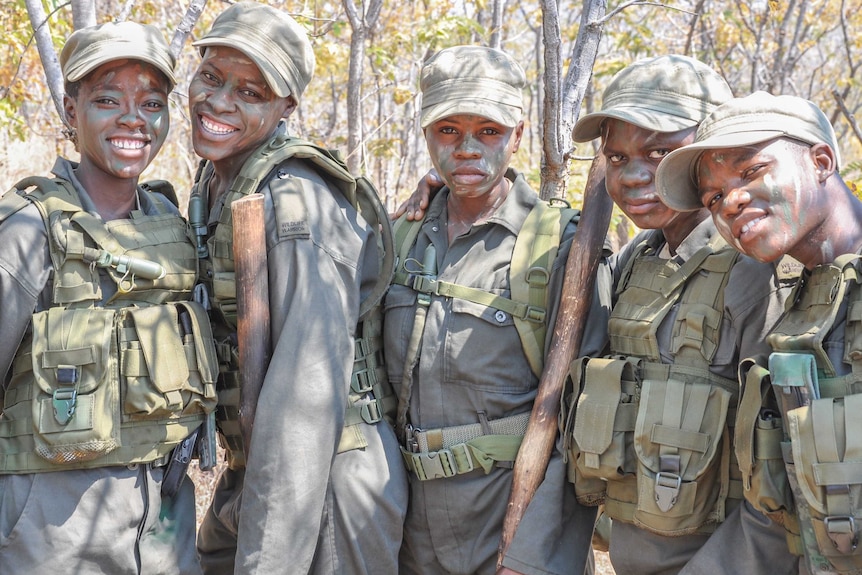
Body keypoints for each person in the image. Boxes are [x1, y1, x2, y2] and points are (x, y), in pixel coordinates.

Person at [188, 3, 407, 574]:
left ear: (286, 106)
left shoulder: (296, 203)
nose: (218, 102)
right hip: (258, 466)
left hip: (326, 479)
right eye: (211, 77)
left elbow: (306, 403)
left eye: (250, 92)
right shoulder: (219, 176)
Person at [563, 56, 801, 574]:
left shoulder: (752, 267)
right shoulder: (635, 262)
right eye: (618, 157)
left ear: (709, 152)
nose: (634, 175)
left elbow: (781, 481)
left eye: (662, 152)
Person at [0, 21, 218, 575]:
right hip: (50, 529)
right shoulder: (28, 230)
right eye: (106, 99)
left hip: (164, 522)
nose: (132, 119)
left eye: (151, 102)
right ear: (71, 113)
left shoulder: (170, 222)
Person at [385, 44, 612, 575]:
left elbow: (584, 425)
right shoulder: (399, 237)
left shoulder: (563, 249)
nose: (466, 148)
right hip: (407, 532)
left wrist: (534, 552)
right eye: (448, 130)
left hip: (510, 532)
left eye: (488, 130)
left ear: (518, 136)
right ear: (425, 134)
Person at [655, 90, 862, 575]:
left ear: (821, 160)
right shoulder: (798, 308)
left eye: (751, 172)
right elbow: (781, 512)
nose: (731, 201)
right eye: (714, 197)